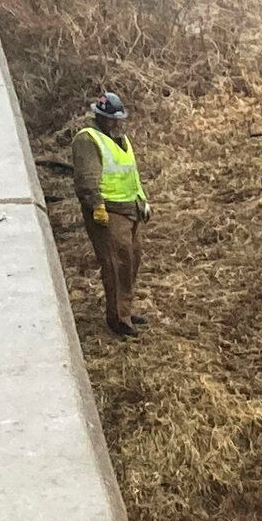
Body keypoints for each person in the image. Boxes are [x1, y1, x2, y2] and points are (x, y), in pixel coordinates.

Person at [67, 91, 149, 337]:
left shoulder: (120, 139)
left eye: (119, 119)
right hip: (109, 212)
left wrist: (142, 201)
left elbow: (131, 175)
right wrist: (96, 206)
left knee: (132, 259)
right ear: (100, 117)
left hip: (129, 210)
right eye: (112, 119)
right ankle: (118, 320)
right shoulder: (88, 139)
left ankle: (124, 309)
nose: (116, 123)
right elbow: (87, 178)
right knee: (117, 264)